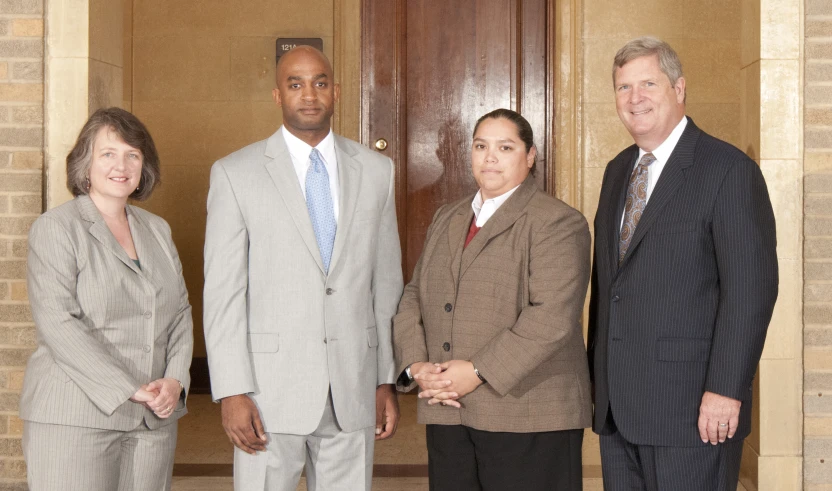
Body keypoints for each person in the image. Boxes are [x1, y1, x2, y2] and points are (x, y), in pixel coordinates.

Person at [203, 45, 403, 491]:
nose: (308, 94)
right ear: (278, 95)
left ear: (336, 91)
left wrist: (385, 378)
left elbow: (385, 284)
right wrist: (232, 390)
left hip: (353, 386)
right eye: (295, 84)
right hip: (266, 394)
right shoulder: (236, 173)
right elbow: (223, 293)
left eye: (319, 83)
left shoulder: (377, 171)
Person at [587, 37, 779, 490]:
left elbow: (751, 292)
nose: (635, 98)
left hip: (692, 409)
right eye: (623, 87)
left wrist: (727, 389)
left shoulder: (727, 170)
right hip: (618, 409)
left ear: (679, 88)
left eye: (648, 83)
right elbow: (610, 285)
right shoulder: (618, 171)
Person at [393, 108, 592, 490]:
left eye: (505, 147)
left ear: (530, 156)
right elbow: (414, 296)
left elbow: (551, 318)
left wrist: (477, 371)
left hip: (528, 415)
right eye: (481, 146)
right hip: (448, 411)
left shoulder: (557, 222)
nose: (490, 157)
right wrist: (417, 366)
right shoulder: (447, 218)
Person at [20, 107, 193, 491]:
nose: (122, 165)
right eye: (108, 154)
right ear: (85, 164)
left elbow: (180, 312)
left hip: (152, 420)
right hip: (75, 415)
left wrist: (176, 379)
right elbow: (58, 324)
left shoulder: (157, 230)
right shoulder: (57, 229)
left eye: (133, 154)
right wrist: (126, 387)